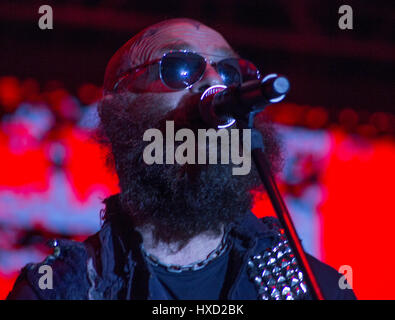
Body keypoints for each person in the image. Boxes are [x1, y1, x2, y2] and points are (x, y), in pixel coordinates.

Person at [7, 18, 356, 300]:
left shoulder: (313, 288)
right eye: (180, 68)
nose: (215, 82)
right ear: (120, 111)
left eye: (229, 72)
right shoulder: (62, 290)